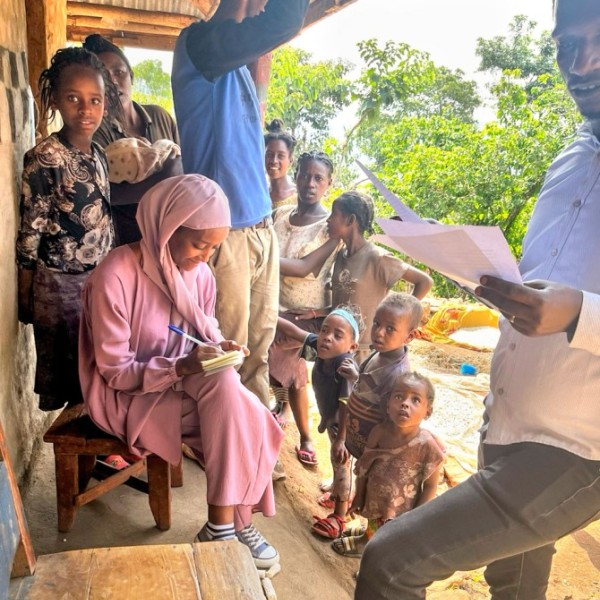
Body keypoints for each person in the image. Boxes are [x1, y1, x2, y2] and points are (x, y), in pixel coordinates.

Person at [355, 1, 600, 597]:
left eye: (598, 41)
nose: (582, 62)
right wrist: (480, 274)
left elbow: (571, 304)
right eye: (566, 43)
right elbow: (545, 279)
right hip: (511, 421)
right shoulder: (574, 155)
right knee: (515, 584)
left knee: (392, 561)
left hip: (577, 446)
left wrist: (578, 314)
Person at [79, 174, 284, 569]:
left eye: (214, 247)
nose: (204, 256)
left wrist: (215, 347)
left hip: (178, 382)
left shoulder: (200, 276)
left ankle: (221, 525)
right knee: (246, 415)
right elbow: (115, 372)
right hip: (126, 393)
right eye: (197, 243)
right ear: (166, 226)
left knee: (230, 389)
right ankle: (233, 522)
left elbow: (198, 335)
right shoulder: (115, 275)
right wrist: (182, 366)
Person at [171, 0, 310, 409]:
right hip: (225, 232)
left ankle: (253, 445)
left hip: (260, 227)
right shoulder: (200, 45)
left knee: (258, 351)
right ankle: (221, 441)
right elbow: (283, 21)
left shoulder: (236, 64)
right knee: (228, 352)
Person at [16, 47, 119, 411]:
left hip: (97, 287)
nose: (85, 109)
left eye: (94, 100)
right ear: (57, 99)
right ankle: (79, 461)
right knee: (75, 387)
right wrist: (25, 298)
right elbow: (30, 235)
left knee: (98, 377)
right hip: (60, 291)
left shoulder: (98, 155)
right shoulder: (45, 159)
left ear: (105, 103)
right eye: (74, 98)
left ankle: (92, 456)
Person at [311, 292, 427, 540]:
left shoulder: (398, 375)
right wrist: (356, 377)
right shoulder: (377, 354)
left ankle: (358, 532)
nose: (379, 333)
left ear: (410, 336)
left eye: (389, 328)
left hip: (375, 447)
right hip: (358, 435)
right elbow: (364, 387)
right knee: (349, 471)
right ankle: (343, 499)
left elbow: (393, 416)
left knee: (376, 494)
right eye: (376, 324)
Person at [296, 191, 432, 365]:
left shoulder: (378, 258)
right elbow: (346, 303)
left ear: (350, 220)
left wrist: (402, 318)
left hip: (363, 351)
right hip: (338, 347)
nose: (328, 220)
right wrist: (316, 313)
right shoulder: (340, 256)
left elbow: (425, 281)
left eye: (334, 214)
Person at [269, 151, 338, 466]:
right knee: (293, 368)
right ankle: (301, 432)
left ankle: (298, 432)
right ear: (295, 176)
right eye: (305, 175)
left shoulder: (331, 227)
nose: (310, 183)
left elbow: (305, 269)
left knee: (281, 347)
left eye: (318, 178)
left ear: (328, 184)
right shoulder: (280, 215)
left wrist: (256, 258)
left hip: (308, 317)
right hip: (272, 305)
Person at [82, 34, 182, 246]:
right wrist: (164, 177)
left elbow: (184, 167)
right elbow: (104, 195)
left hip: (171, 235)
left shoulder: (160, 116)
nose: (114, 82)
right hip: (127, 241)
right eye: (103, 75)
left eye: (119, 72)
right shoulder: (96, 131)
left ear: (131, 76)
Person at [333, 371, 443, 558]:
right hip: (375, 495)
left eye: (415, 400)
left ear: (428, 411)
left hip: (401, 506)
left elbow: (431, 485)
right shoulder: (379, 432)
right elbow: (364, 467)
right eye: (399, 396)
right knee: (375, 524)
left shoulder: (428, 446)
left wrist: (417, 517)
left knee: (386, 538)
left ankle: (366, 548)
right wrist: (360, 495)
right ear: (387, 405)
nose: (405, 403)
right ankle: (367, 535)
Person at [265, 119, 297, 210]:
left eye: (280, 156)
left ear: (290, 160)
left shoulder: (299, 198)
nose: (274, 160)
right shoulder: (260, 195)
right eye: (269, 155)